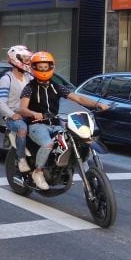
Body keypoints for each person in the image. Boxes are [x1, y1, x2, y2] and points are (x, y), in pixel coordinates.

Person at [18, 51, 108, 190]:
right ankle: (38, 172)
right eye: (40, 67)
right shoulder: (29, 88)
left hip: (55, 124)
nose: (43, 70)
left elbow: (78, 98)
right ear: (33, 68)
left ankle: (81, 174)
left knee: (73, 141)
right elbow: (22, 109)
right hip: (37, 126)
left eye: (45, 67)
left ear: (51, 67)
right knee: (48, 144)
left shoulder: (56, 87)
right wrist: (35, 114)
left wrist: (96, 104)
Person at [0, 45, 33, 174]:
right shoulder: (6, 80)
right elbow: (1, 103)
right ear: (15, 59)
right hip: (14, 117)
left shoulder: (30, 78)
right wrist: (12, 115)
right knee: (22, 129)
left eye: (28, 58)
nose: (27, 61)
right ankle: (21, 159)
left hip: (29, 114)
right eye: (24, 58)